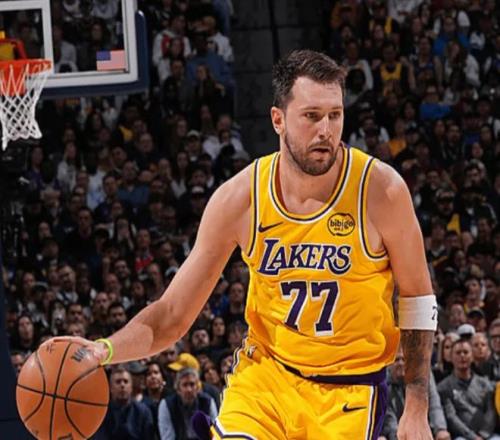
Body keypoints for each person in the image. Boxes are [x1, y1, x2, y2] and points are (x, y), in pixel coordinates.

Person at [47, 50, 437, 439]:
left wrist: (417, 404)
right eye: (312, 115)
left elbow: (418, 298)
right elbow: (172, 314)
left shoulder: (381, 191)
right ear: (278, 119)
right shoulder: (240, 198)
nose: (326, 130)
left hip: (349, 389)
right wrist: (104, 349)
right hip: (266, 379)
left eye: (335, 115)